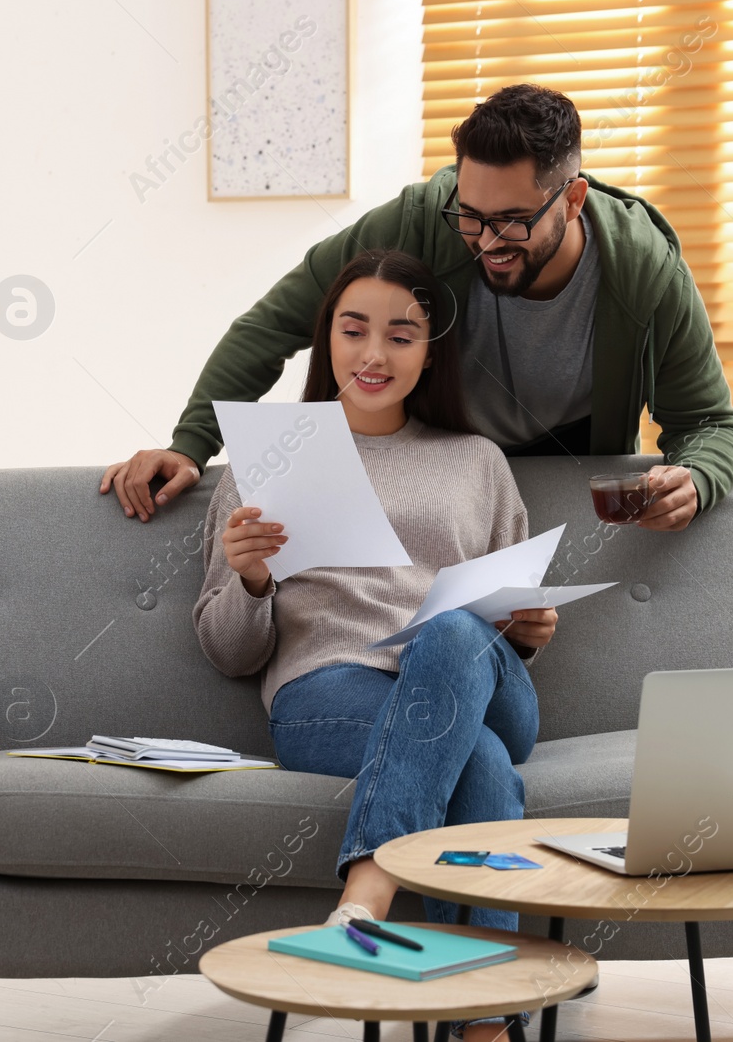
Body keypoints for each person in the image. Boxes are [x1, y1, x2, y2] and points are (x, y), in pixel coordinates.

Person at [104, 83, 733, 531]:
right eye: (472, 215)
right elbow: (273, 324)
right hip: (436, 480)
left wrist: (695, 478)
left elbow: (709, 424)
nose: (488, 242)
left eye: (514, 221)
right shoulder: (422, 219)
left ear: (573, 200)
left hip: (567, 481)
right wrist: (190, 446)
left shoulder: (644, 270)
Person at [194, 249, 549, 1042]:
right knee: (481, 765)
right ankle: (489, 1023)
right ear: (327, 342)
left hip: (478, 681)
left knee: (453, 628)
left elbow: (506, 613)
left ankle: (364, 898)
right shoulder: (270, 459)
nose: (374, 354)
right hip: (329, 694)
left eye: (401, 334)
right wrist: (252, 580)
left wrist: (526, 628)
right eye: (353, 331)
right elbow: (227, 649)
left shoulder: (476, 461)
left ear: (431, 350)